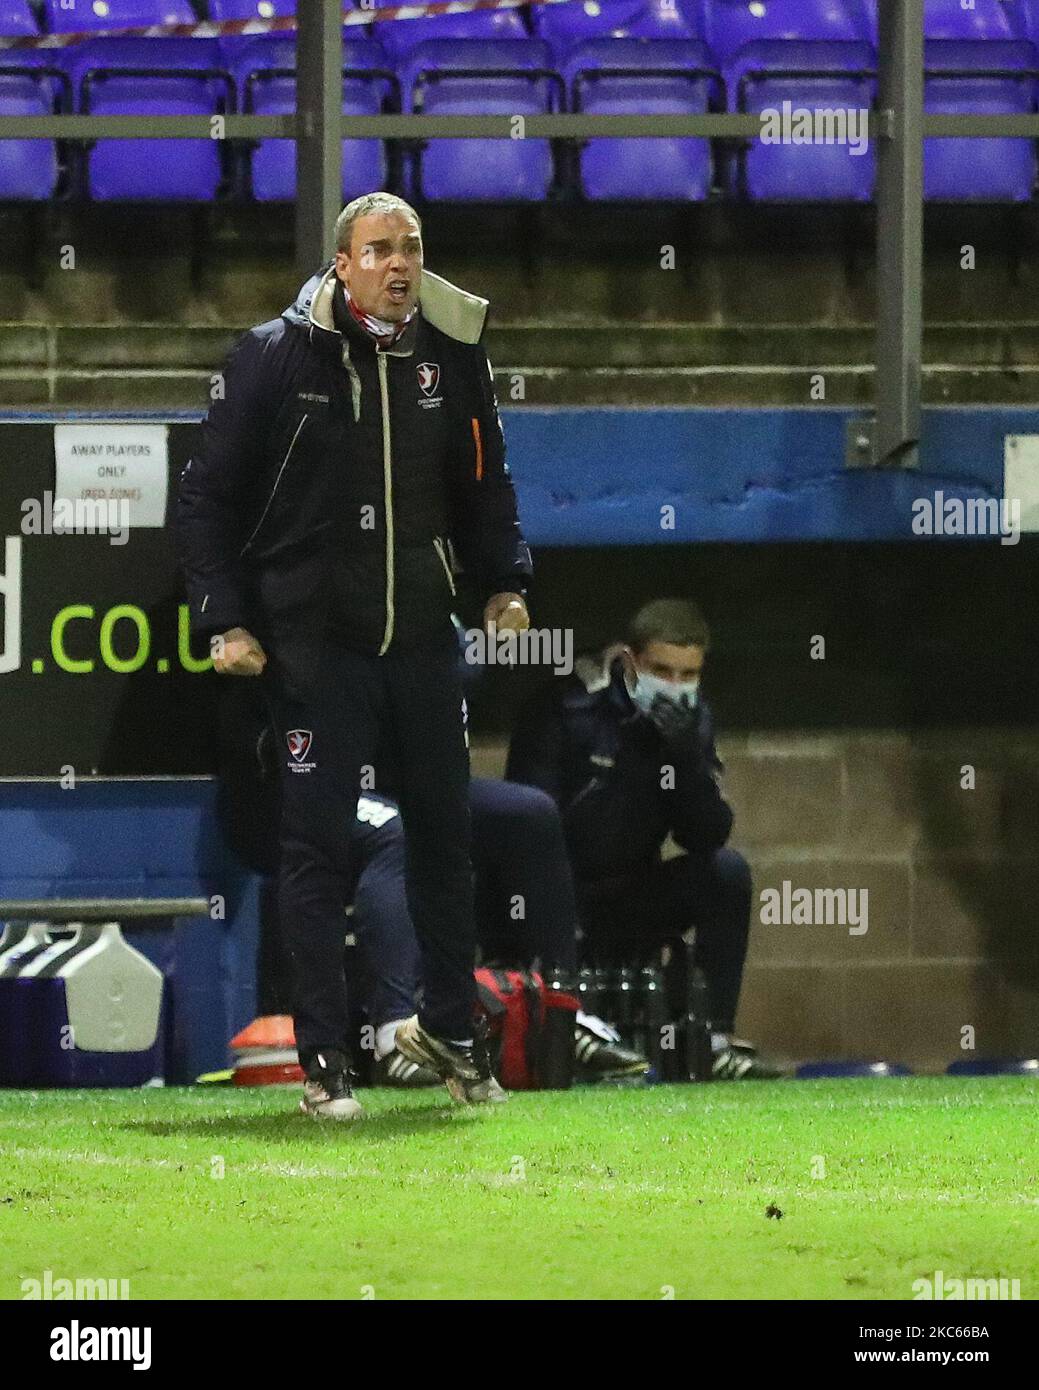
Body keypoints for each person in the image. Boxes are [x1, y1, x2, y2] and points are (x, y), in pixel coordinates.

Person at [177, 191, 532, 1118]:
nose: (399, 264)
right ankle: (326, 1060)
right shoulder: (270, 357)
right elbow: (206, 500)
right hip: (312, 647)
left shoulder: (451, 354)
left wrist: (504, 581)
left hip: (420, 639)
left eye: (411, 246)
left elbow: (487, 477)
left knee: (446, 843)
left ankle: (454, 1033)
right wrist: (225, 620)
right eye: (379, 249)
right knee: (316, 850)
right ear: (341, 264)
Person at [506, 597, 780, 1080]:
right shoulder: (570, 708)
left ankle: (714, 1042)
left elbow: (708, 835)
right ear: (631, 662)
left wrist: (684, 759)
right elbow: (527, 829)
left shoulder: (691, 722)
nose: (674, 686)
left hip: (635, 892)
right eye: (662, 670)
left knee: (726, 872)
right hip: (559, 895)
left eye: (688, 675)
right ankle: (567, 1029)